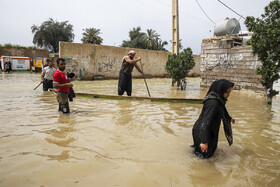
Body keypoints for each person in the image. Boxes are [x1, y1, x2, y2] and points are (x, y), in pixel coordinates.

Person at [192, 79, 235, 158]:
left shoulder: (218, 100)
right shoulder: (213, 103)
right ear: (221, 90)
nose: (229, 95)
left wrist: (229, 118)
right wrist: (203, 141)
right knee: (204, 157)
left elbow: (222, 109)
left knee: (209, 154)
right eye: (227, 92)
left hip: (208, 130)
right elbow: (205, 122)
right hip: (203, 131)